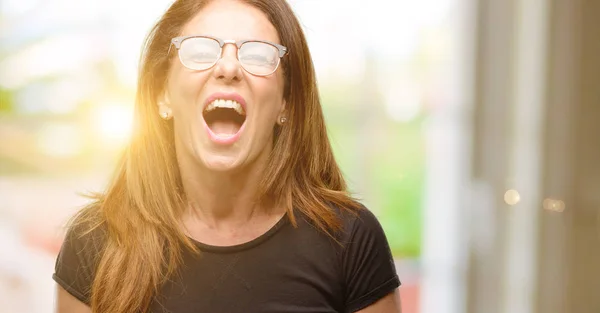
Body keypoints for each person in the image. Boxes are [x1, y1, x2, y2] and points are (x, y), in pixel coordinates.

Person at [53, 0, 402, 312]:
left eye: (257, 54)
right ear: (163, 94)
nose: (229, 67)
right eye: (201, 50)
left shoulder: (349, 240)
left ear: (285, 103)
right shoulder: (95, 240)